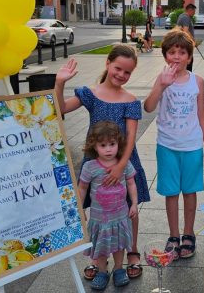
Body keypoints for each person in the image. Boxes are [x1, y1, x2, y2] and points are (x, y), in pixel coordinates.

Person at [55, 45, 149, 280]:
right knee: (98, 209)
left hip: (125, 160)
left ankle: (132, 250)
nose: (121, 75)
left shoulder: (130, 100)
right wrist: (60, 84)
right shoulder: (91, 94)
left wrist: (120, 166)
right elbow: (60, 109)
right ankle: (99, 257)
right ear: (108, 63)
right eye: (118, 68)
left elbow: (130, 138)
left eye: (127, 72)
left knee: (129, 208)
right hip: (95, 162)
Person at [144, 28, 204, 260]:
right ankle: (174, 235)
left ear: (190, 57)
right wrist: (161, 85)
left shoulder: (198, 81)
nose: (177, 56)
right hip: (167, 145)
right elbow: (149, 106)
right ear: (165, 56)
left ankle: (188, 233)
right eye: (172, 52)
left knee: (190, 191)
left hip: (192, 146)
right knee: (171, 193)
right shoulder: (162, 79)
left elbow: (202, 115)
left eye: (182, 52)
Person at [78, 121, 138, 290]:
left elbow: (132, 184)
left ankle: (119, 269)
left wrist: (134, 203)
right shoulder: (89, 167)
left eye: (112, 144)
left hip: (120, 216)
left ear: (118, 143)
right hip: (100, 219)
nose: (108, 149)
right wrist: (79, 209)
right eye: (103, 145)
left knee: (119, 245)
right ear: (94, 146)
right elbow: (82, 188)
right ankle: (102, 271)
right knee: (102, 246)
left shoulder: (123, 164)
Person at [176, 3, 196, 71]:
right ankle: (188, 76)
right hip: (185, 43)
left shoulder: (181, 16)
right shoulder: (186, 18)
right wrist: (192, 40)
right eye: (194, 11)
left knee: (187, 60)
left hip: (182, 42)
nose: (194, 13)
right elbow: (186, 31)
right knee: (189, 61)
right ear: (190, 10)